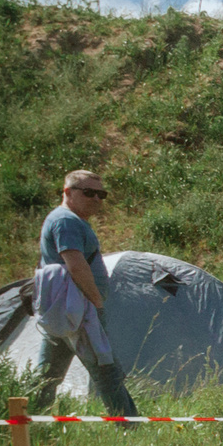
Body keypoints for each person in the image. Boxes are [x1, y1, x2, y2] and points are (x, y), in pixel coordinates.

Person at [34, 170, 141, 422]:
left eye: (101, 194)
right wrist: (97, 300)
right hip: (79, 310)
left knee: (47, 374)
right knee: (105, 370)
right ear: (68, 192)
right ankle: (128, 426)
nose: (96, 199)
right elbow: (75, 263)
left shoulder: (68, 219)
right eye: (89, 192)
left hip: (66, 310)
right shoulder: (66, 221)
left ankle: (31, 424)